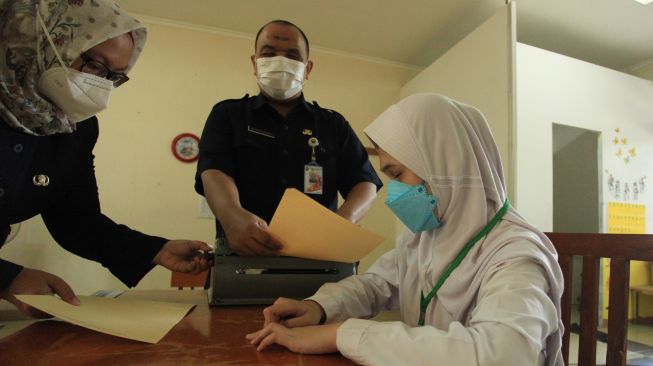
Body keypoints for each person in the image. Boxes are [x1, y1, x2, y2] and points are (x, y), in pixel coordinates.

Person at [246, 94, 565, 365]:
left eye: (398, 174)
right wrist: (320, 307)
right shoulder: (426, 236)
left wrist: (343, 333)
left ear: (445, 167)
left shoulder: (516, 255)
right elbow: (376, 284)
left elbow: (503, 355)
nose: (394, 192)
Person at [0, 0, 212, 318]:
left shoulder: (75, 128)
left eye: (115, 76)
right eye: (96, 66)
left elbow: (78, 222)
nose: (100, 84)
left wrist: (156, 249)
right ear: (48, 39)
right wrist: (7, 278)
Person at [195, 20, 382, 256]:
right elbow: (213, 172)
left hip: (320, 259)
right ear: (255, 63)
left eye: (292, 55)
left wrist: (345, 221)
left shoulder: (333, 124)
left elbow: (364, 182)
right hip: (242, 259)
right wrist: (233, 217)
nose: (281, 61)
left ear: (308, 68)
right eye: (269, 53)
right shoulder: (228, 115)